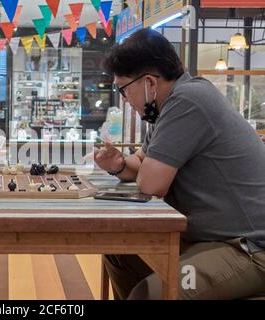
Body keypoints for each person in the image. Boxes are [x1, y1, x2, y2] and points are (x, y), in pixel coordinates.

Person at [92, 28, 265, 300]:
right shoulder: (167, 107)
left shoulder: (188, 100)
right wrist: (118, 164)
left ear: (149, 82)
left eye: (123, 89)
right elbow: (139, 163)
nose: (124, 100)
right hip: (210, 240)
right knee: (120, 249)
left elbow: (151, 184)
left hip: (248, 249)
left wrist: (138, 167)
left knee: (149, 295)